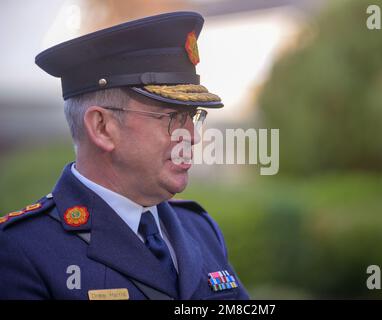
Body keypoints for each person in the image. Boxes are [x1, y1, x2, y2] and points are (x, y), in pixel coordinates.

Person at [0, 11, 249, 300]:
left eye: (191, 117)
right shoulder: (21, 250)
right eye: (171, 118)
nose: (191, 137)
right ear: (102, 127)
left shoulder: (199, 228)